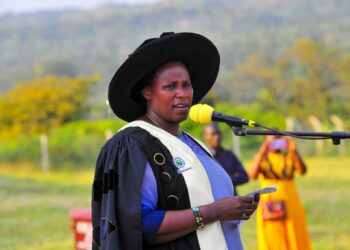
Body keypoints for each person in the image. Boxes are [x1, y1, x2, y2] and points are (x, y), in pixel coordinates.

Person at [92, 32, 259, 250]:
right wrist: (214, 211)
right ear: (147, 92)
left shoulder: (191, 143)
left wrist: (237, 208)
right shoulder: (133, 145)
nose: (182, 94)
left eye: (186, 85)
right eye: (171, 86)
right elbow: (137, 225)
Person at [249, 135, 312, 250]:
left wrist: (294, 150)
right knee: (271, 234)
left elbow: (303, 171)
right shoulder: (262, 158)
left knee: (293, 231)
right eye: (272, 140)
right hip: (269, 200)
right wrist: (263, 150)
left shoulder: (289, 156)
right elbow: (252, 175)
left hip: (290, 200)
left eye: (278, 139)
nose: (275, 143)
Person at [203, 123, 249, 194]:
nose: (217, 137)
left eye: (218, 133)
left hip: (232, 199)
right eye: (213, 134)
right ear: (205, 136)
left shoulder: (229, 155)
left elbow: (244, 177)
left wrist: (224, 179)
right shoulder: (202, 157)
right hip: (213, 201)